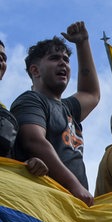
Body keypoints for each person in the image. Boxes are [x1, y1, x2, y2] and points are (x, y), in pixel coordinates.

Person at [10, 21, 100, 206]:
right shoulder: (31, 100)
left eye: (66, 60)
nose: (63, 63)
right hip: (45, 202)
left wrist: (83, 43)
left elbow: (91, 93)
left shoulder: (69, 108)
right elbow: (34, 141)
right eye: (54, 58)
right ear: (35, 70)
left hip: (74, 203)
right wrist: (75, 186)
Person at [0, 39, 47, 176]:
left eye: (3, 58)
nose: (1, 60)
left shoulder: (6, 118)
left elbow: (9, 157)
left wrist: (29, 164)